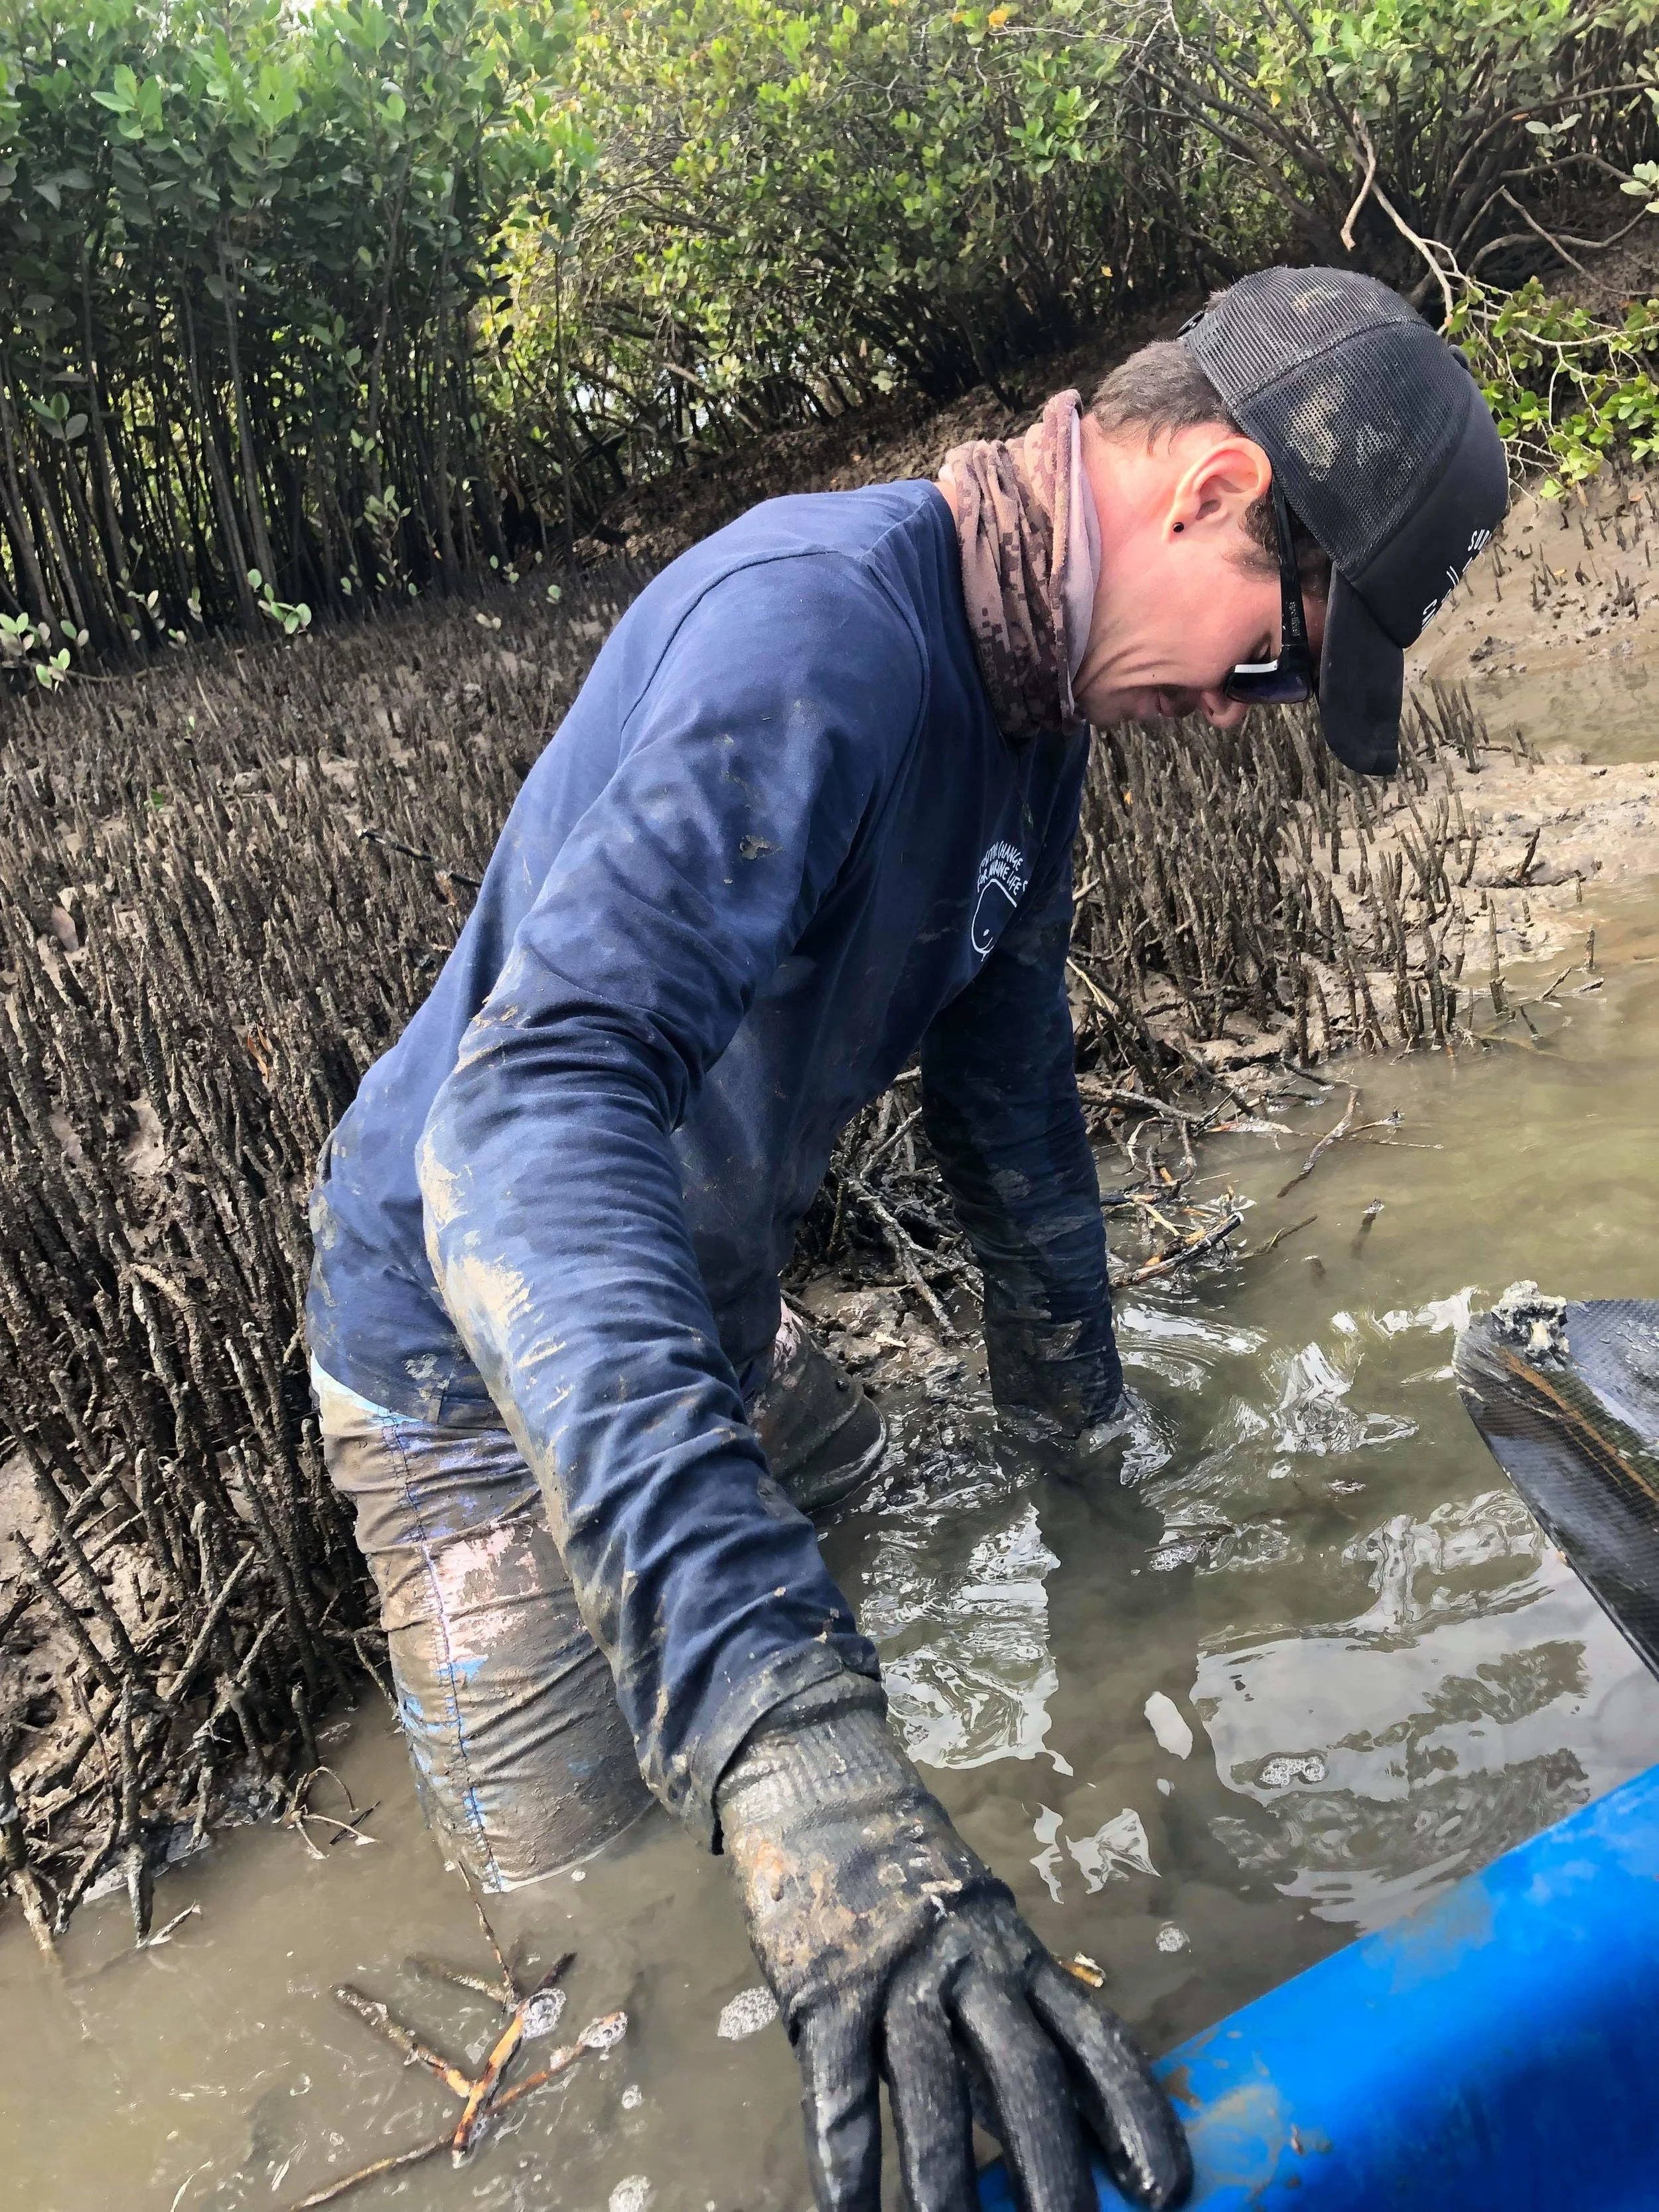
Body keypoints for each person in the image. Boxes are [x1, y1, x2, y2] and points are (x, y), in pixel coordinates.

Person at [305, 267, 1507, 2212]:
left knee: (878, 1500)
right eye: (1279, 658)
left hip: (705, 1309)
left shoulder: (1036, 708)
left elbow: (1010, 1118)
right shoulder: (815, 642)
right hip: (457, 1341)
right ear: (1208, 486)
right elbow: (521, 1136)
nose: (1245, 713)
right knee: (599, 1941)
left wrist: (1109, 1495)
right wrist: (794, 1747)